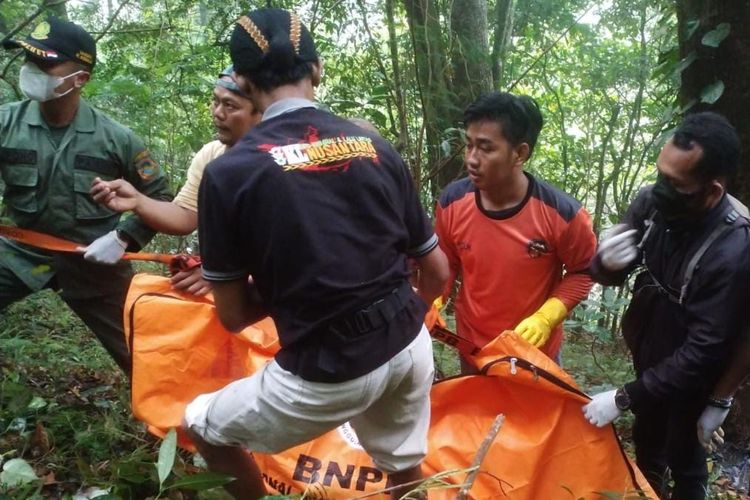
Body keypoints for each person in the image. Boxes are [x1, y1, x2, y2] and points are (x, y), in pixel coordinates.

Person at [181, 8, 448, 499]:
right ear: (317, 70)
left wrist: (292, 284)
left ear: (240, 78)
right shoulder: (374, 145)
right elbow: (437, 272)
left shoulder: (229, 173)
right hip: (409, 342)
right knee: (403, 466)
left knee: (202, 424)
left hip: (329, 366)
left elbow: (235, 315)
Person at [582, 112, 750, 499]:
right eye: (660, 175)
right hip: (650, 351)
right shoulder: (653, 204)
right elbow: (607, 275)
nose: (660, 190)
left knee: (687, 462)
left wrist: (625, 397)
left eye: (676, 184)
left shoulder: (735, 248)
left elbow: (705, 349)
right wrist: (606, 262)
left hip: (696, 377)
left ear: (712, 191)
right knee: (648, 447)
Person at [0, 17, 171, 373]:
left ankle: (178, 424)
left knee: (148, 357)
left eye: (45, 64)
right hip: (19, 254)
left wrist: (124, 237)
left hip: (94, 260)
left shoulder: (116, 138)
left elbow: (161, 196)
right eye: (29, 61)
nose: (31, 70)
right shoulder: (6, 123)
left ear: (79, 79)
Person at [434, 91, 596, 370]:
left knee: (532, 415)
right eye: (469, 145)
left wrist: (547, 317)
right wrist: (434, 299)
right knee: (477, 414)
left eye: (486, 148)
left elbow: (586, 271)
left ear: (520, 153)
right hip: (472, 347)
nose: (472, 158)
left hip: (533, 354)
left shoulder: (563, 214)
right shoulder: (452, 202)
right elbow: (445, 259)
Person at [89, 66, 261, 295]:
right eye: (215, 101)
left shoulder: (282, 162)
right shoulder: (211, 155)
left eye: (230, 105)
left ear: (261, 112)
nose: (218, 113)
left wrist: (224, 273)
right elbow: (186, 216)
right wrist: (138, 201)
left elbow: (288, 240)